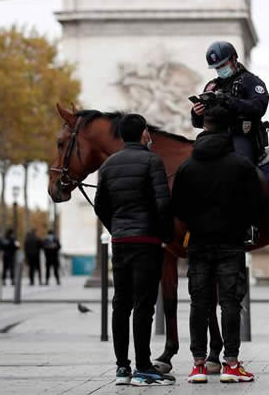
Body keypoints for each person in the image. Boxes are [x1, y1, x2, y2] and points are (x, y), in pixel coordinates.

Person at [172, 105, 262, 384]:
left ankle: (198, 365)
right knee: (230, 303)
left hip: (198, 244)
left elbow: (178, 208)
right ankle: (231, 365)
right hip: (231, 243)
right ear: (229, 129)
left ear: (204, 127)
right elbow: (255, 206)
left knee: (199, 303)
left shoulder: (187, 166)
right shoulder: (241, 165)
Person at [94, 113, 175, 387]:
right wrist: (165, 235)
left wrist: (116, 228)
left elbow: (100, 205)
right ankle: (143, 366)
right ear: (144, 134)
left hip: (120, 243)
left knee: (121, 303)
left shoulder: (108, 165)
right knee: (143, 305)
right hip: (147, 242)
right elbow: (163, 204)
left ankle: (121, 368)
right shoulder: (153, 161)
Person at [190, 41, 269, 164]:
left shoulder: (251, 81)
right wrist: (196, 113)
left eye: (223, 65)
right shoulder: (211, 86)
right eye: (217, 67)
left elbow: (259, 107)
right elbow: (198, 123)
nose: (220, 69)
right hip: (213, 135)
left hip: (241, 136)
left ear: (233, 59)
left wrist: (230, 101)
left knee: (242, 166)